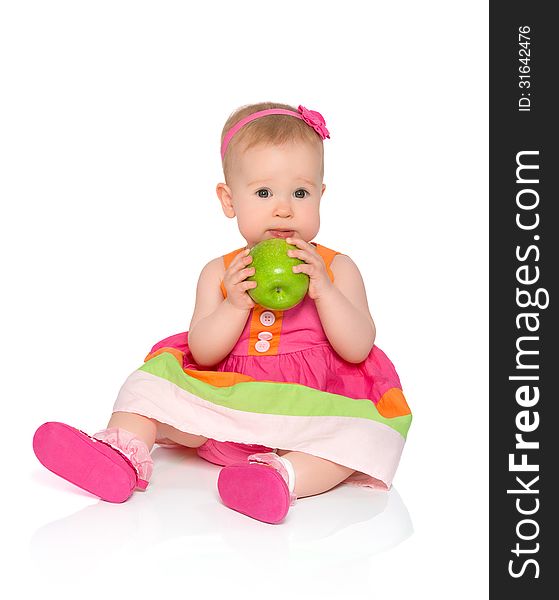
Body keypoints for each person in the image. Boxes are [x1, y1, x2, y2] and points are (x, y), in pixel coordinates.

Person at [33, 102, 412, 524]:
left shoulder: (337, 269)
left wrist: (325, 291)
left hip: (303, 417)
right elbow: (205, 351)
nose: (283, 208)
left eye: (300, 192)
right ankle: (122, 452)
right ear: (229, 200)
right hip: (224, 410)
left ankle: (282, 478)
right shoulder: (220, 272)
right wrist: (235, 303)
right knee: (148, 385)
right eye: (264, 192)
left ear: (321, 195)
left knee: (361, 435)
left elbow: (358, 348)